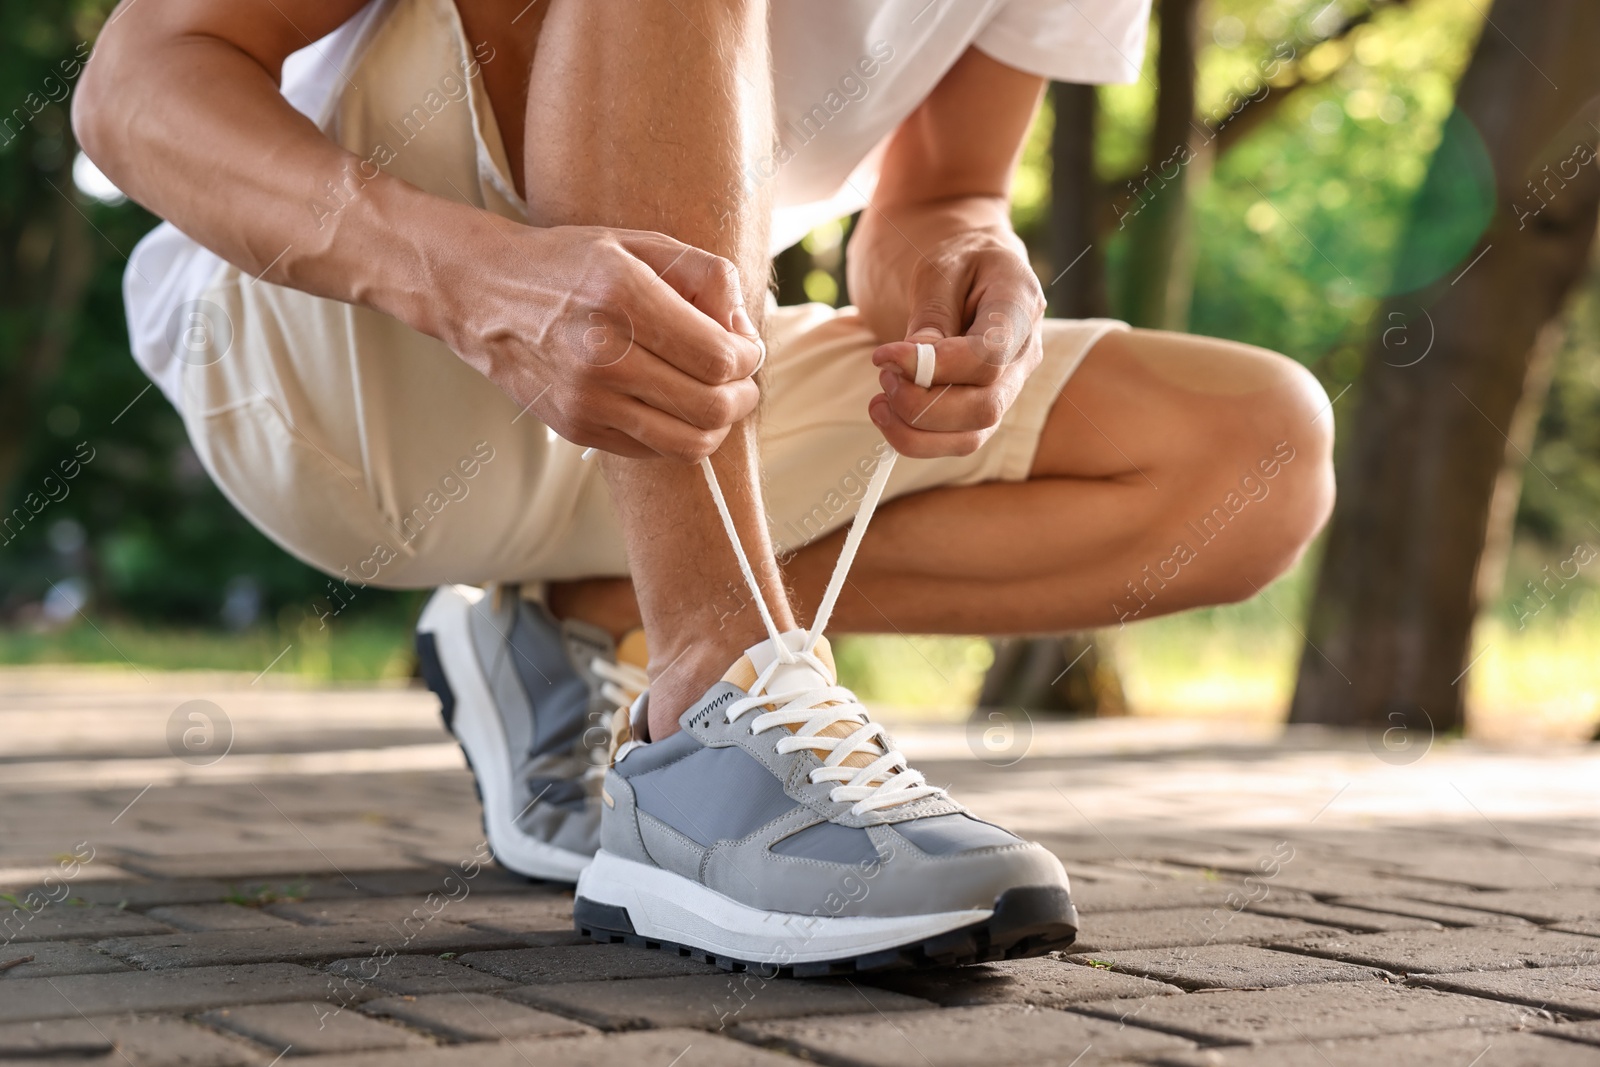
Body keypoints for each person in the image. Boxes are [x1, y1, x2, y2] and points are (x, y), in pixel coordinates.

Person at [77, 0, 1334, 972]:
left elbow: (941, 195)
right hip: (338, 361)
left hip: (657, 382)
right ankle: (706, 716)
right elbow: (132, 84)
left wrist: (968, 270)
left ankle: (580, 618)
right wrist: (475, 285)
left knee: (1255, 454)